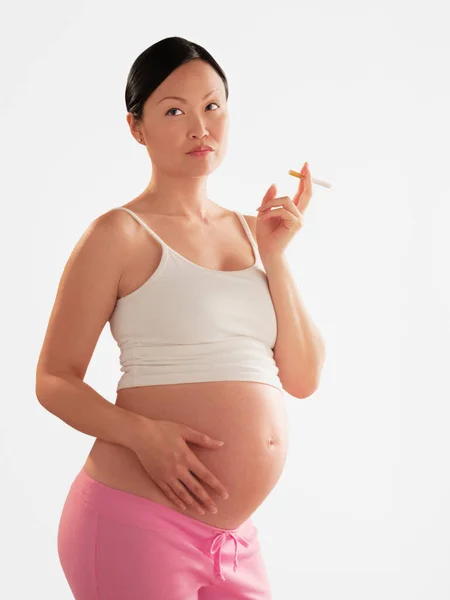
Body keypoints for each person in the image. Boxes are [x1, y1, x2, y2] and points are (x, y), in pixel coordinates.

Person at [36, 36, 292, 600]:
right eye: (174, 110)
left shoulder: (257, 234)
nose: (200, 126)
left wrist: (275, 257)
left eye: (212, 106)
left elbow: (303, 377)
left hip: (233, 541)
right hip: (136, 522)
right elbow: (53, 380)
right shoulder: (117, 235)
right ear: (137, 127)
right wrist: (145, 437)